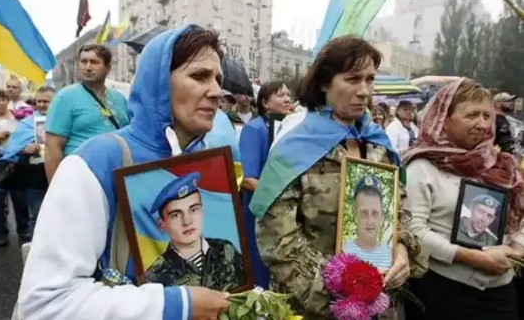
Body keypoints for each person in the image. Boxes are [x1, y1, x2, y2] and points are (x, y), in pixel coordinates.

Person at [18, 25, 239, 320]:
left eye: (218, 79)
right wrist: (174, 305)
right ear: (159, 83)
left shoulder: (204, 159)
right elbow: (45, 303)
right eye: (200, 76)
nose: (216, 92)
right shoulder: (96, 161)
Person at [249, 36, 422, 319]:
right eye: (353, 79)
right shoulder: (294, 148)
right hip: (316, 308)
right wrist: (341, 293)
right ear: (324, 83)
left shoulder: (378, 144)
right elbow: (277, 241)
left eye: (369, 79)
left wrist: (402, 251)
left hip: (379, 305)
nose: (364, 91)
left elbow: (400, 211)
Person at [402, 78, 524, 320]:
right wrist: (472, 257)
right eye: (472, 115)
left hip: (501, 292)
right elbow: (414, 231)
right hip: (443, 291)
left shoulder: (503, 165)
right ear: (445, 119)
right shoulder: (423, 167)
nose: (482, 124)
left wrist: (517, 248)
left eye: (487, 116)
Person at [146, 172, 245, 290]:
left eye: (193, 210)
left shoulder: (226, 249)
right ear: (161, 224)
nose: (187, 221)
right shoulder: (154, 278)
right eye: (176, 215)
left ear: (202, 211)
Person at [44, 44, 130, 182]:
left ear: (108, 68)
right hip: (81, 178)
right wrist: (56, 189)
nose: (88, 67)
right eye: (83, 62)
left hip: (118, 176)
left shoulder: (119, 98)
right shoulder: (65, 97)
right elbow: (52, 148)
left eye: (94, 62)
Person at [239, 80, 291, 288]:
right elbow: (247, 179)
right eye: (280, 95)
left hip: (283, 215)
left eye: (288, 94)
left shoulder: (289, 129)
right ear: (265, 103)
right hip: (258, 214)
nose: (287, 99)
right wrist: (280, 195)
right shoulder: (254, 129)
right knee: (260, 271)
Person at [0, 86, 55, 237]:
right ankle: (33, 249)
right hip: (34, 177)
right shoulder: (27, 123)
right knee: (37, 214)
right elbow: (12, 147)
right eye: (39, 101)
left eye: (46, 101)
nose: (42, 105)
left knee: (57, 214)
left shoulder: (63, 121)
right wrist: (25, 148)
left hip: (58, 175)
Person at [0, 89, 30, 247]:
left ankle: (24, 230)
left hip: (16, 161)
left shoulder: (18, 116)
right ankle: (0, 234)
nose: (2, 103)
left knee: (20, 198)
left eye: (4, 99)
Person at [343, 176, 392, 269]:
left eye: (375, 213)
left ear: (382, 216)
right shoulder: (343, 251)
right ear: (354, 213)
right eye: (364, 213)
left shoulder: (391, 255)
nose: (370, 221)